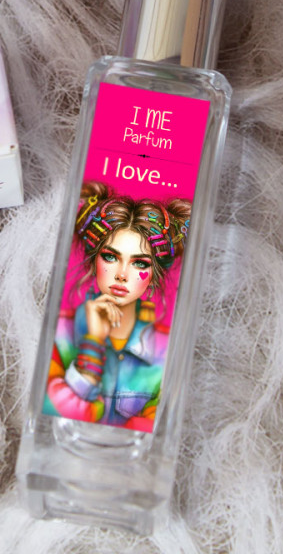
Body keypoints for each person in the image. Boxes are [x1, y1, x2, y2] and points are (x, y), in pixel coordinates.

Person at [43, 181, 191, 431]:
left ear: (154, 275)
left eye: (140, 263)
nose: (122, 274)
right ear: (95, 261)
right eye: (110, 257)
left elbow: (154, 429)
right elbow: (57, 414)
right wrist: (93, 341)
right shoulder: (60, 333)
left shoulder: (166, 349)